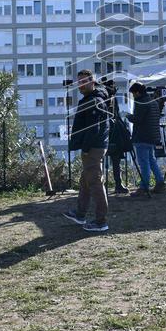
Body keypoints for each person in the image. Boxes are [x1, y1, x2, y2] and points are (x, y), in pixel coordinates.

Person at [63, 70, 111, 232]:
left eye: (84, 81)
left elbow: (94, 128)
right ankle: (80, 213)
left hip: (93, 148)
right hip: (95, 146)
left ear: (92, 81)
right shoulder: (94, 98)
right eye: (79, 82)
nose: (80, 85)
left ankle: (101, 221)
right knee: (85, 181)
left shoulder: (94, 100)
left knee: (95, 183)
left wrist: (85, 148)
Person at [127, 82, 166, 196]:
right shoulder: (153, 101)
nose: (133, 96)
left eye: (133, 94)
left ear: (137, 92)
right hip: (153, 136)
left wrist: (128, 116)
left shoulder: (141, 102)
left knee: (144, 163)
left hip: (142, 136)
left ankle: (144, 187)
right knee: (151, 160)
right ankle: (160, 183)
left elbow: (138, 119)